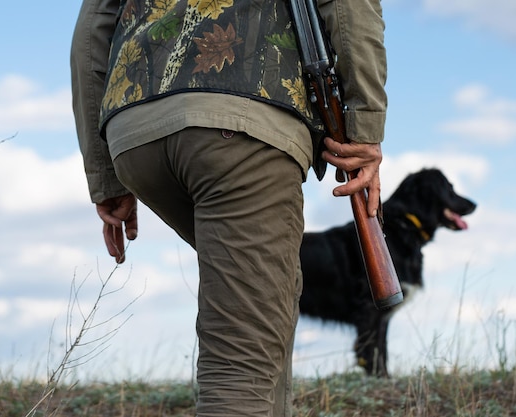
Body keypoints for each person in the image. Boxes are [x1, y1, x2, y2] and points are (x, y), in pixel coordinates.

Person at [70, 0, 387, 415]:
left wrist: (105, 176)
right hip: (245, 122)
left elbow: (92, 30)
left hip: (133, 133)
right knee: (239, 370)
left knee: (267, 303)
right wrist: (365, 126)